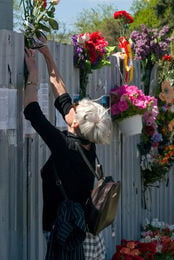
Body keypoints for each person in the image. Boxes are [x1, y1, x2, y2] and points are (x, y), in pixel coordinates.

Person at [23, 41, 112, 260]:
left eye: (77, 108)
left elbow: (32, 111)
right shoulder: (90, 140)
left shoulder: (64, 146)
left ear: (74, 123)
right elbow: (62, 97)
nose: (73, 106)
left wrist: (33, 75)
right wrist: (47, 56)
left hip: (65, 233)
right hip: (88, 233)